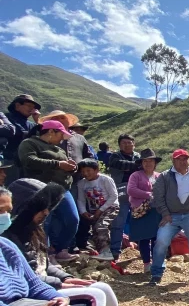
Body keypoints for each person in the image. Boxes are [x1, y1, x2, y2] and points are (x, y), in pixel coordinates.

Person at [3, 179, 144, 306]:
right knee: (92, 298)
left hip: (42, 285)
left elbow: (44, 264)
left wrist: (64, 277)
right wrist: (58, 283)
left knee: (102, 287)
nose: (46, 213)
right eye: (42, 209)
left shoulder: (33, 231)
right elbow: (25, 279)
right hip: (28, 296)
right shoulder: (10, 238)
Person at [17, 120, 79, 263]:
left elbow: (65, 165)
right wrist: (58, 164)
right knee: (45, 222)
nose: (62, 138)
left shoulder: (59, 149)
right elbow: (28, 161)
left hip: (62, 189)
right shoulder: (29, 143)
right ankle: (46, 255)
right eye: (60, 134)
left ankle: (61, 249)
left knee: (72, 219)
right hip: (41, 188)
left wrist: (72, 167)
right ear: (51, 132)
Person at [42, 111, 95, 255]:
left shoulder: (79, 138)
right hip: (54, 180)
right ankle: (57, 247)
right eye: (56, 118)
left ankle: (75, 243)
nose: (60, 120)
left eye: (62, 117)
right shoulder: (49, 138)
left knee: (78, 211)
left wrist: (86, 169)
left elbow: (88, 156)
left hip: (77, 179)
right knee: (54, 214)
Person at [149, 149, 189, 286]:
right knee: (161, 242)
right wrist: (165, 214)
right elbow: (158, 197)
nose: (183, 161)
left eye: (185, 158)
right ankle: (156, 274)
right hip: (171, 216)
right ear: (173, 161)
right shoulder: (164, 177)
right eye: (179, 159)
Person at [126, 149, 162, 274]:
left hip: (156, 212)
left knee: (157, 238)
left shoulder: (159, 176)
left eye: (150, 161)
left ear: (155, 163)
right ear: (141, 163)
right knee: (144, 238)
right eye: (145, 161)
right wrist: (149, 194)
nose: (148, 163)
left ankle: (157, 262)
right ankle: (147, 263)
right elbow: (131, 190)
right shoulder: (135, 175)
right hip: (141, 211)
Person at [75, 159, 118, 261]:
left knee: (101, 226)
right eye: (83, 171)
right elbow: (81, 200)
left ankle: (107, 252)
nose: (85, 173)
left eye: (88, 170)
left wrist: (100, 210)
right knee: (94, 230)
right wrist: (83, 212)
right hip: (93, 210)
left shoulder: (105, 180)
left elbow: (114, 196)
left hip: (110, 206)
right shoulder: (81, 184)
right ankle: (102, 253)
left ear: (96, 170)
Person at [108, 134, 140, 261]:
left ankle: (141, 249)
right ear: (119, 145)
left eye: (129, 142)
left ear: (134, 144)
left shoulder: (138, 156)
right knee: (118, 222)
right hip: (121, 190)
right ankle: (115, 250)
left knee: (140, 221)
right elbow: (119, 164)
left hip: (138, 192)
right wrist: (137, 165)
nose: (127, 145)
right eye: (124, 143)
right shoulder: (114, 156)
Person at [1, 94, 41, 184]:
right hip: (8, 161)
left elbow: (41, 139)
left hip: (25, 163)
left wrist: (37, 121)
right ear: (17, 106)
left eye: (34, 107)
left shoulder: (32, 125)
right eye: (29, 106)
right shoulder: (5, 119)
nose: (32, 109)